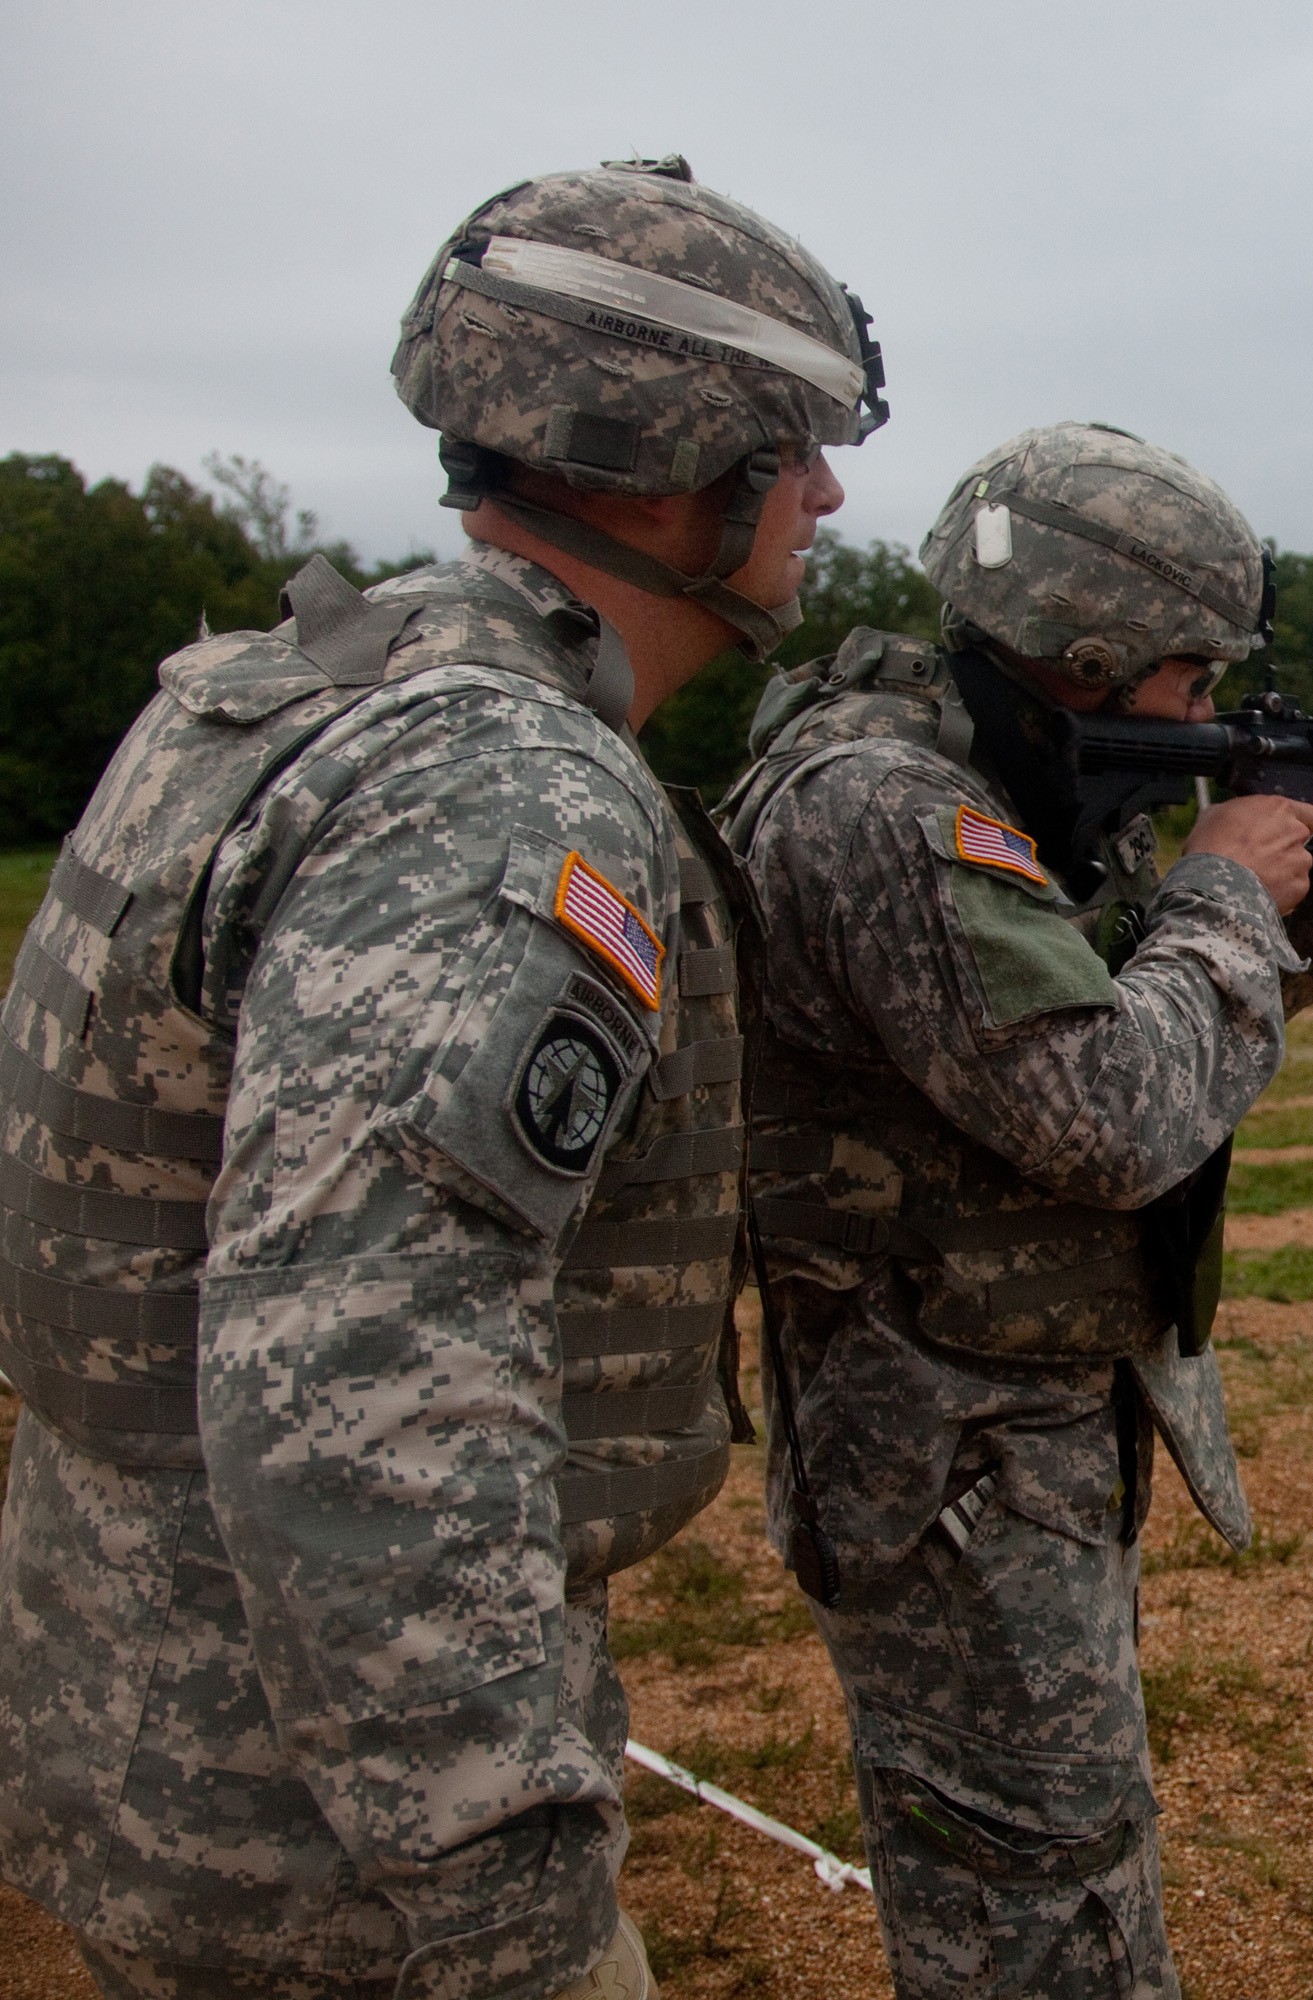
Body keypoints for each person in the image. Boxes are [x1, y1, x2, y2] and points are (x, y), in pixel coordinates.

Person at [0, 158, 884, 2000]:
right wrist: (508, 1905)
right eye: (793, 444)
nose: (825, 493)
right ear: (678, 456)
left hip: (163, 1726)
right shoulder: (499, 787)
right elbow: (361, 1400)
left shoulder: (289, 684)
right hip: (339, 1867)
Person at [719, 422, 1313, 1998]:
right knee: (1041, 1902)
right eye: (1193, 683)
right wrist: (1223, 888)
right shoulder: (894, 809)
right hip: (945, 1447)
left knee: (1061, 1856)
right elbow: (1116, 1117)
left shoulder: (995, 783)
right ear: (1088, 653)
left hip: (1009, 1426)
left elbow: (1163, 1037)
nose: (1209, 722)